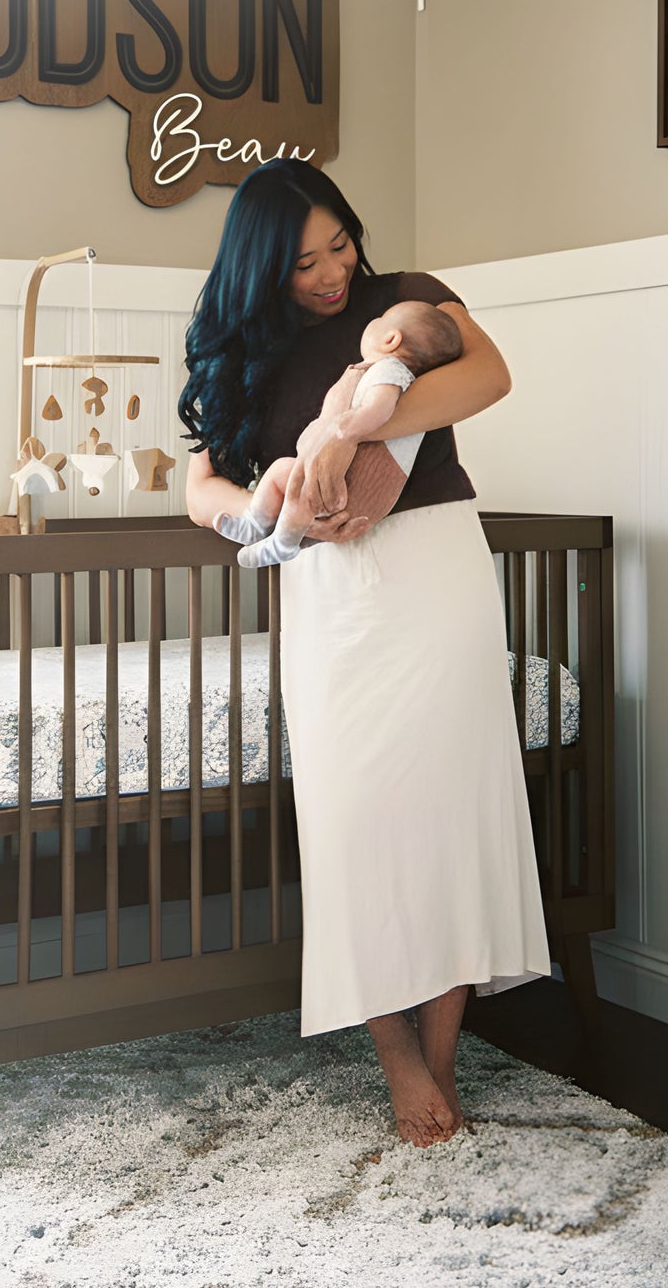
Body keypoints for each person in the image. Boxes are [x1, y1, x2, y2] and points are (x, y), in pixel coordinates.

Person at [179, 158, 551, 1150]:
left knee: (447, 809)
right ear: (261, 267)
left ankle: (440, 1051)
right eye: (302, 262)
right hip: (328, 589)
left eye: (338, 244)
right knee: (355, 820)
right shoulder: (233, 347)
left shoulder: (404, 302)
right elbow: (199, 483)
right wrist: (253, 512)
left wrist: (358, 433)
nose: (329, 273)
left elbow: (486, 374)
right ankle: (392, 1052)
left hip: (432, 570)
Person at [213, 300, 462, 566]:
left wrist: (344, 430)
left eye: (379, 318)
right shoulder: (382, 371)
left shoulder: (391, 370)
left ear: (391, 339)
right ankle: (256, 524)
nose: (372, 322)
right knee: (282, 473)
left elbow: (379, 408)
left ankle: (281, 543)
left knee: (292, 480)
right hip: (349, 488)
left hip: (350, 487)